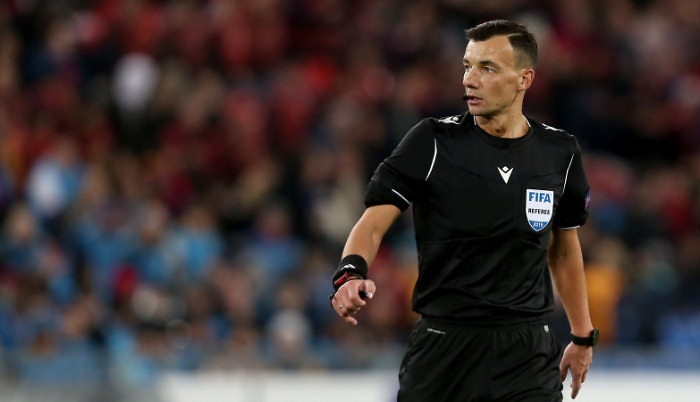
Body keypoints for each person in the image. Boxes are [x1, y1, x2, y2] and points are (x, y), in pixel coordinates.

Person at [329, 20, 596, 401]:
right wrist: (350, 273)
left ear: (524, 79)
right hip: (444, 348)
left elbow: (564, 248)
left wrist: (582, 336)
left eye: (487, 68)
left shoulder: (559, 152)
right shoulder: (433, 142)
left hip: (527, 354)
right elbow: (373, 222)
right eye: (467, 66)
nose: (469, 80)